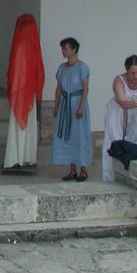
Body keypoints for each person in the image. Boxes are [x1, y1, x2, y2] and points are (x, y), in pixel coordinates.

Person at [102, 54, 137, 181]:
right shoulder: (119, 81)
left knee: (135, 142)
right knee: (114, 143)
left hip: (135, 113)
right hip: (117, 113)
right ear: (127, 71)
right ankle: (110, 178)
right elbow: (123, 103)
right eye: (132, 73)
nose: (136, 76)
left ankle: (130, 177)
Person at [3, 15, 45, 170]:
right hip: (28, 93)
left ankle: (18, 157)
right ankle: (26, 156)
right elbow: (39, 72)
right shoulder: (33, 48)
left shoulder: (20, 47)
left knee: (18, 125)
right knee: (27, 124)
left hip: (20, 93)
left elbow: (15, 75)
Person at [52, 37, 92, 182]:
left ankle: (84, 170)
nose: (63, 51)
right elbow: (59, 88)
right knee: (68, 136)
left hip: (76, 102)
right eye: (62, 49)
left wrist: (81, 105)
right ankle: (72, 169)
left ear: (74, 50)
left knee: (80, 135)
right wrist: (56, 104)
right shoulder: (62, 68)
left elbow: (86, 89)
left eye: (66, 49)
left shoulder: (83, 67)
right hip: (65, 104)